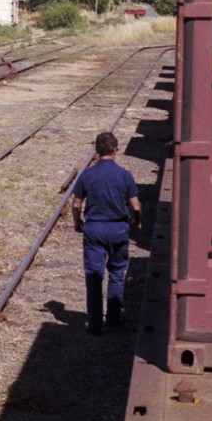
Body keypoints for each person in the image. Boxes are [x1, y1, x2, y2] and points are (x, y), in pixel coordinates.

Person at [71, 131, 141, 333]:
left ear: (97, 151)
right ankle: (113, 318)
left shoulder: (87, 174)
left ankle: (94, 325)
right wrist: (137, 223)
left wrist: (78, 223)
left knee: (94, 276)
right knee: (117, 273)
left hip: (95, 230)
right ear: (115, 150)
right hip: (118, 228)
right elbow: (136, 206)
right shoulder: (124, 175)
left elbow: (76, 204)